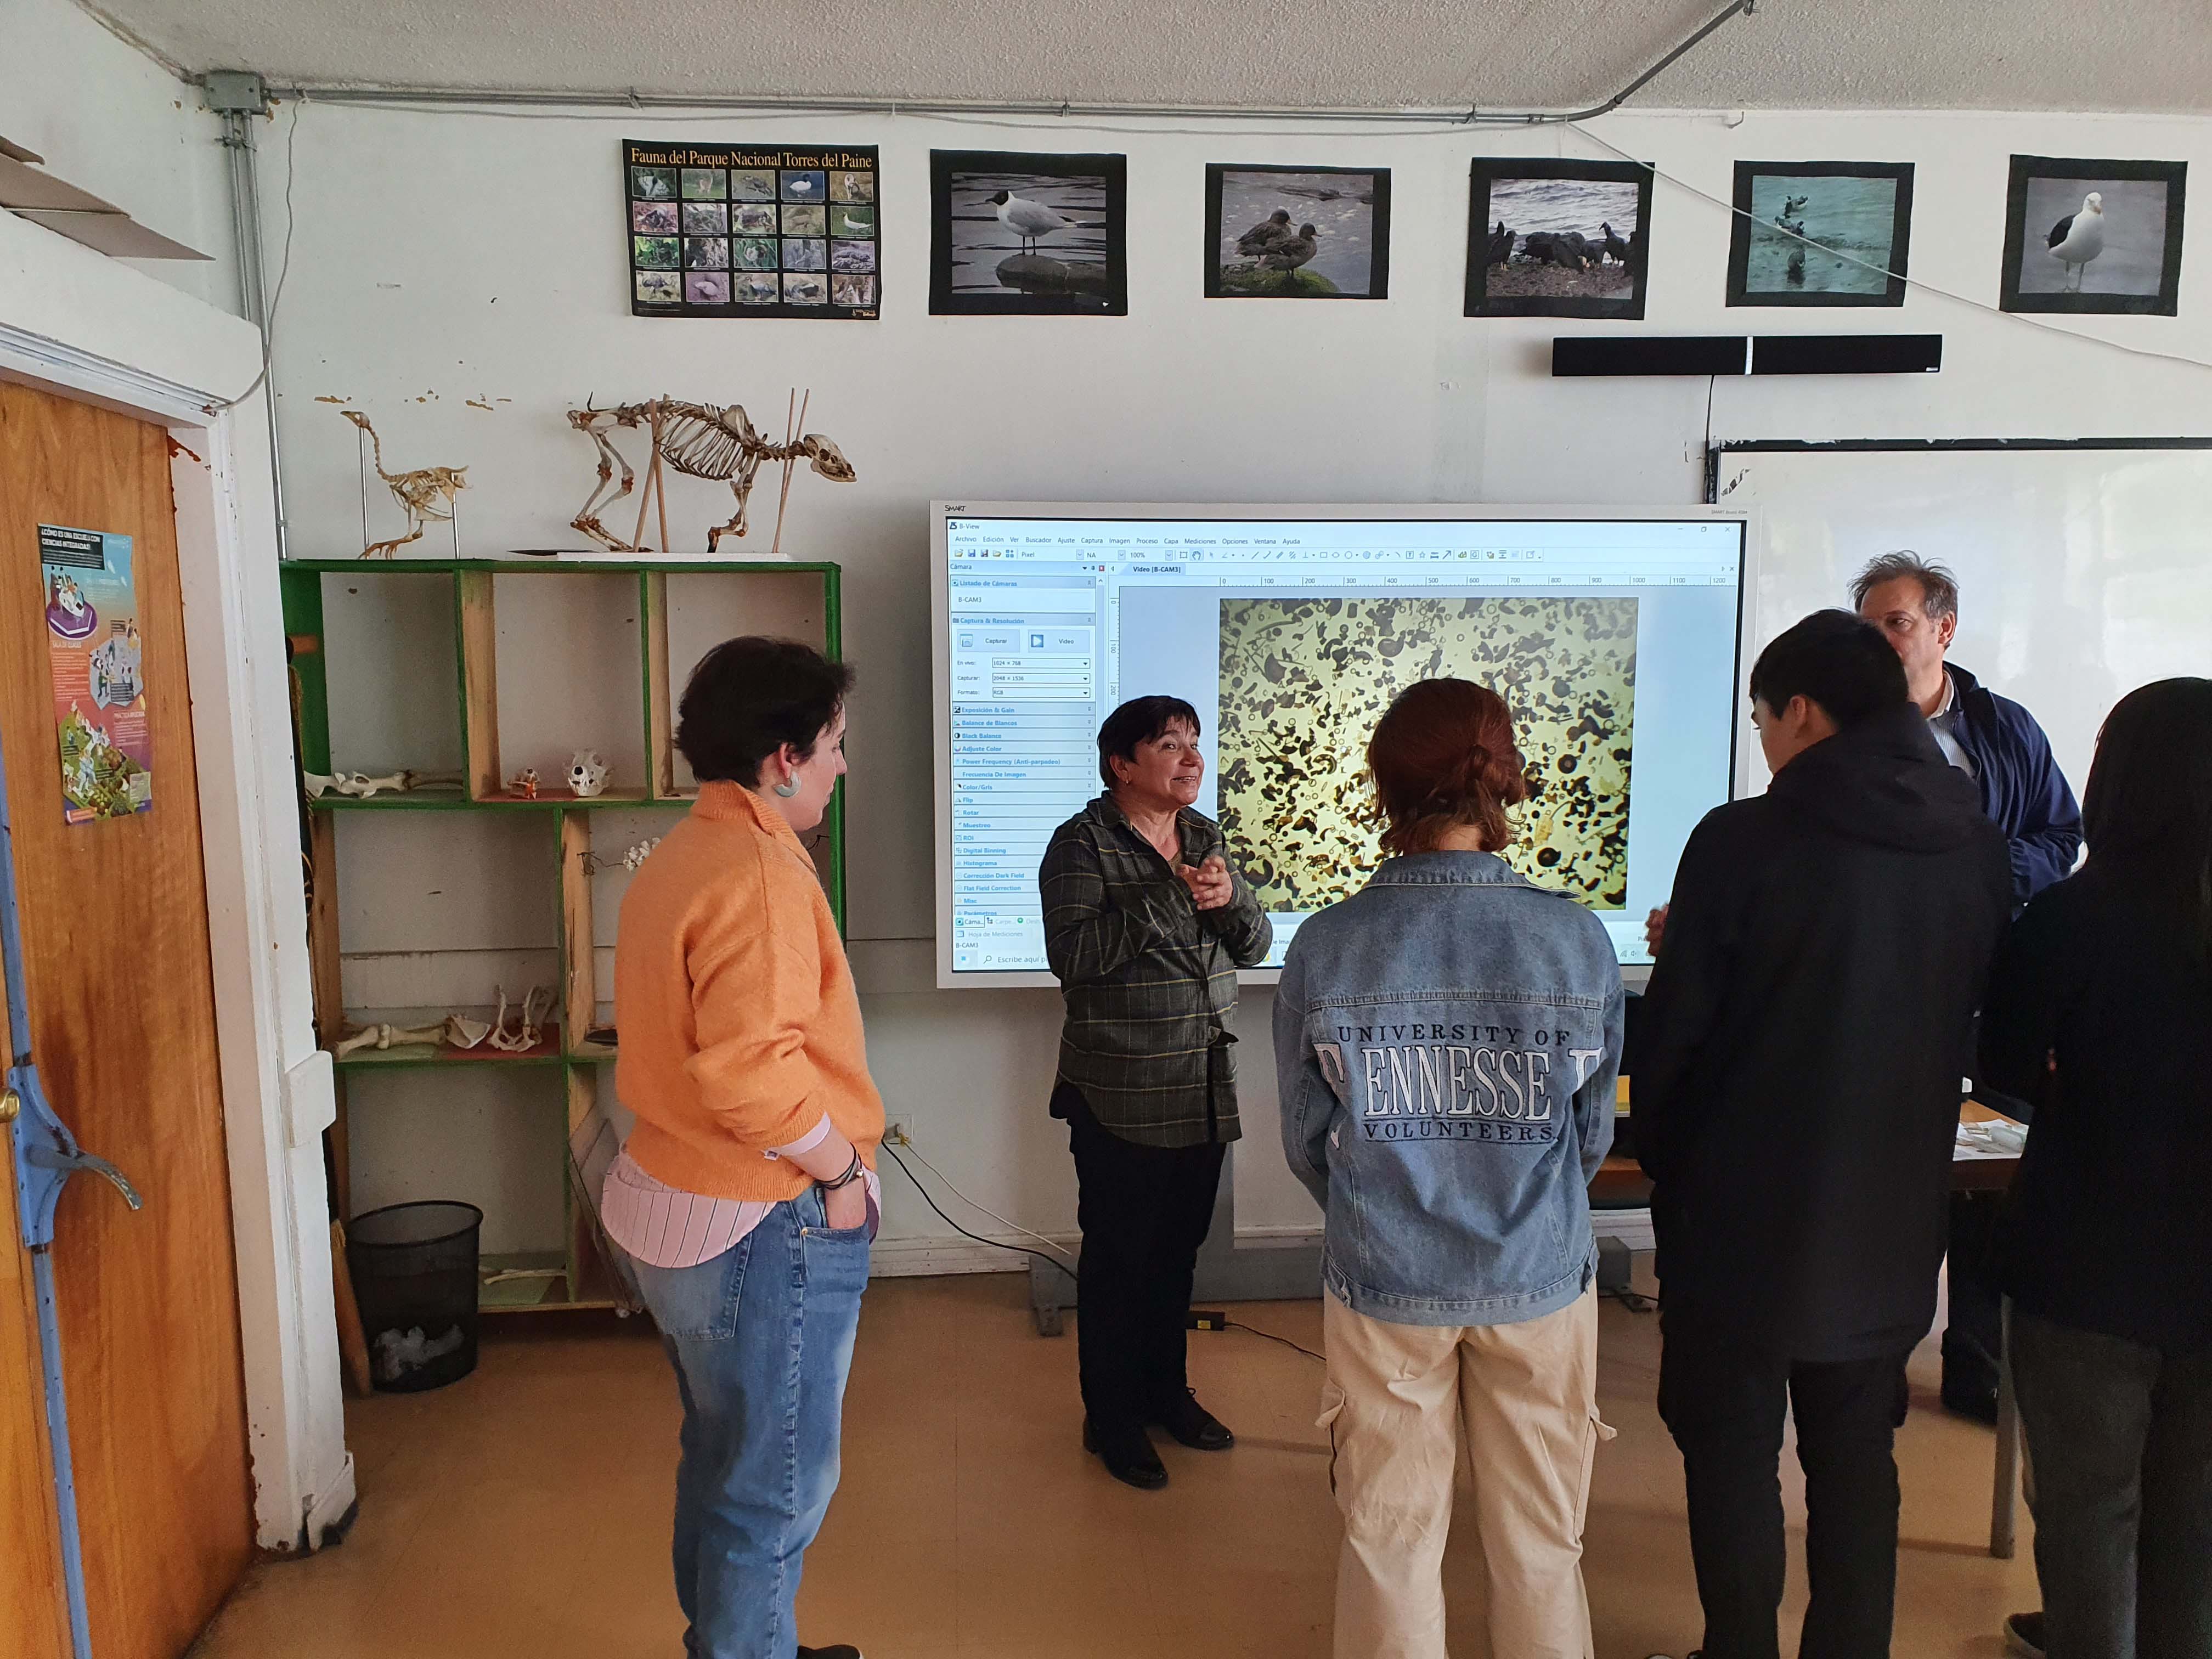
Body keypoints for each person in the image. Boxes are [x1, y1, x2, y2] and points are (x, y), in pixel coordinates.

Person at [1637, 611, 2012, 1659]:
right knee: (1857, 1458)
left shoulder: (1741, 839)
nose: (1763, 742)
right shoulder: (1976, 843)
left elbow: (1676, 1038)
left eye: (1761, 720)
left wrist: (1665, 1157)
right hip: (1892, 1212)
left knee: (1731, 1453)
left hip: (1739, 1214)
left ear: (1799, 712)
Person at [1275, 678, 1624, 1659]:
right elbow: (1589, 1137)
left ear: (1384, 785)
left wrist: (1376, 1203)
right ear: (1501, 779)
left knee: (1388, 1540)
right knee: (1543, 1545)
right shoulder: (1576, 938)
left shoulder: (1328, 944)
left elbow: (1307, 1139)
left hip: (1386, 1278)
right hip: (1539, 1275)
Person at [605, 637, 879, 1659]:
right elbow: (750, 1074)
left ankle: (738, 1642)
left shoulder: (687, 849)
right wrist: (842, 1172)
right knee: (776, 1484)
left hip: (673, 1200)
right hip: (759, 1217)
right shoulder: (761, 873)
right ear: (783, 759)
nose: (842, 765)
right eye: (834, 745)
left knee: (725, 1452)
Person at [1978, 677, 2212, 1659]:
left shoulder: (2067, 919)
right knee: (2193, 1532)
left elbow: (2002, 1068)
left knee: (2088, 1521)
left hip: (2087, 1266)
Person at [1850, 550, 2084, 1426]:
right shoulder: (1844, 730)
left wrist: (1986, 872)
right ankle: (1873, 1365)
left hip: (1998, 987)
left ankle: (1978, 1367)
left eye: (1897, 623)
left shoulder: (2005, 728)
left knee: (1991, 1185)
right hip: (1886, 992)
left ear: (1944, 629)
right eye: (1869, 626)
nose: (1881, 641)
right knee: (1889, 1188)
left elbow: (2060, 836)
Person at [1039, 695, 1272, 1490]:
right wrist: (1170, 896)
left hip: (1202, 1085)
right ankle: (1110, 1418)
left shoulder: (1204, 836)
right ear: (1122, 764)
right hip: (1121, 1092)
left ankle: (1167, 1394)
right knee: (1119, 1263)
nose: (1192, 759)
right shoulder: (1081, 845)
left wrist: (1229, 899)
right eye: (1170, 745)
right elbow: (1075, 958)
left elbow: (1254, 944)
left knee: (1177, 1259)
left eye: (1195, 743)